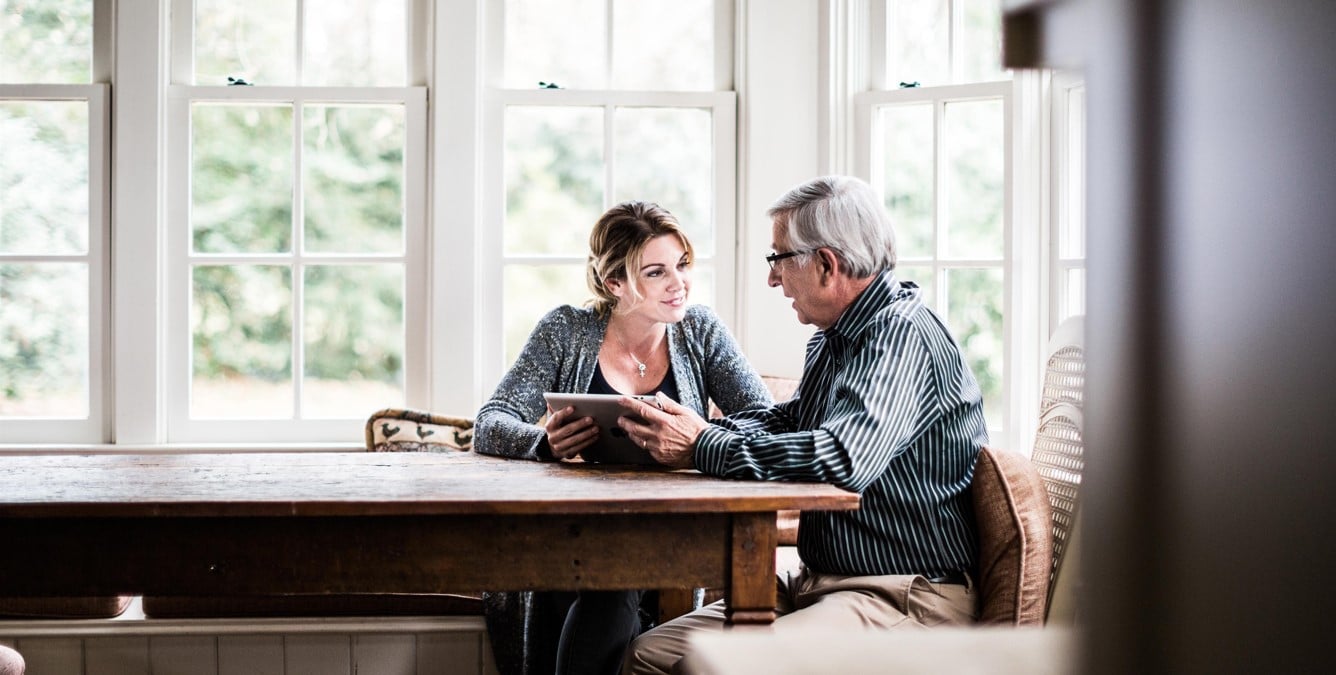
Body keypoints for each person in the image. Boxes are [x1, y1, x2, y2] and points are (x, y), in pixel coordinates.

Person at [616, 176, 989, 674]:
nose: (773, 279)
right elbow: (788, 420)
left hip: (902, 593)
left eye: (779, 260)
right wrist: (696, 428)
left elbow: (842, 458)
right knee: (645, 656)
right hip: (820, 582)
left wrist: (703, 446)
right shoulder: (834, 337)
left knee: (711, 667)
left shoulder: (900, 335)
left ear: (827, 265)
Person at [473, 200, 773, 675]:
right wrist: (543, 444)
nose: (679, 284)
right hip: (569, 532)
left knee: (616, 580)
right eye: (656, 272)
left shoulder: (701, 331)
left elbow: (766, 422)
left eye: (683, 265)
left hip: (666, 533)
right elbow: (490, 422)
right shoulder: (566, 330)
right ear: (615, 282)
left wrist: (698, 436)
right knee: (608, 584)